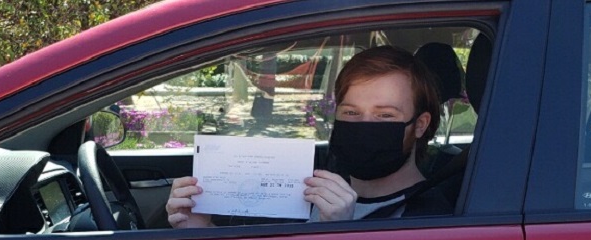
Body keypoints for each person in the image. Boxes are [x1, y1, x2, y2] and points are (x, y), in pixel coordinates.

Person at [165, 45, 452, 228]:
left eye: (385, 116)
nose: (365, 126)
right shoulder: (313, 189)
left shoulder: (430, 221)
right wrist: (200, 230)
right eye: (351, 113)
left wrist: (340, 236)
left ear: (420, 124)